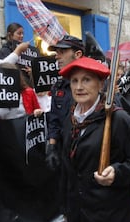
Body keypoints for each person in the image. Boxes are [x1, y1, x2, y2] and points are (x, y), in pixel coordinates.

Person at [58, 56, 130, 222]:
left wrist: (117, 172)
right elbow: (66, 169)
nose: (79, 87)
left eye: (87, 80)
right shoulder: (70, 120)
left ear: (100, 84)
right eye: (74, 81)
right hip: (79, 218)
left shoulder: (119, 120)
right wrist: (66, 207)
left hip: (110, 220)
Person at [45, 35, 85, 171]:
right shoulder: (58, 86)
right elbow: (54, 119)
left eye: (62, 52)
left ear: (78, 54)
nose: (57, 56)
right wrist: (52, 146)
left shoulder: (94, 85)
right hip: (64, 151)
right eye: (56, 53)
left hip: (87, 150)